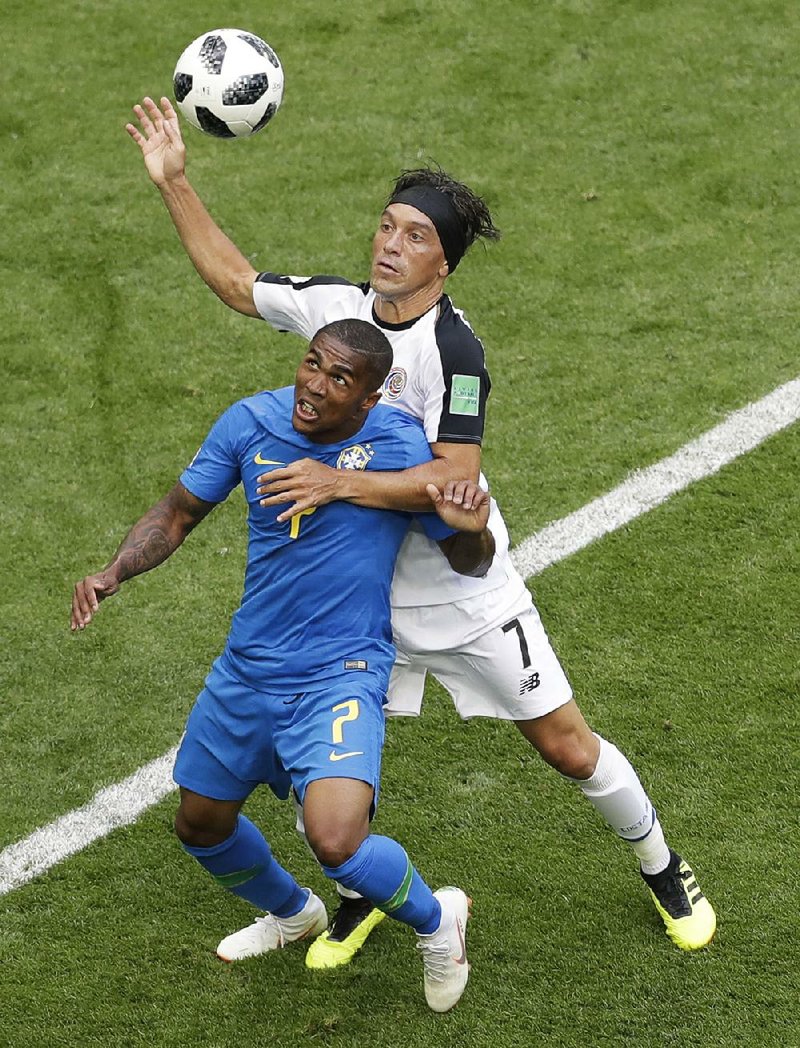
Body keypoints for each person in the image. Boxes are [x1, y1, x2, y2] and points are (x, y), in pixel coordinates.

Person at [125, 97, 716, 965]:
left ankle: (663, 866)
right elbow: (235, 281)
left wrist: (339, 479)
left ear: (445, 262)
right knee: (317, 763)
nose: (388, 246)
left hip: (462, 586)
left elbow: (454, 480)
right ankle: (357, 899)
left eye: (413, 237)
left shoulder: (458, 353)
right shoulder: (340, 312)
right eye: (386, 226)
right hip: (363, 601)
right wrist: (175, 182)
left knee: (567, 746)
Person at [71, 318, 497, 1013]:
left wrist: (472, 532)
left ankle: (436, 920)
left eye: (337, 380)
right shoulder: (251, 422)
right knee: (200, 823)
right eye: (312, 365)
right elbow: (177, 513)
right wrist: (115, 570)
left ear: (367, 400)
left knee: (337, 839)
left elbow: (464, 558)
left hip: (340, 672)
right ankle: (294, 914)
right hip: (247, 670)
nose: (313, 387)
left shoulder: (395, 445)